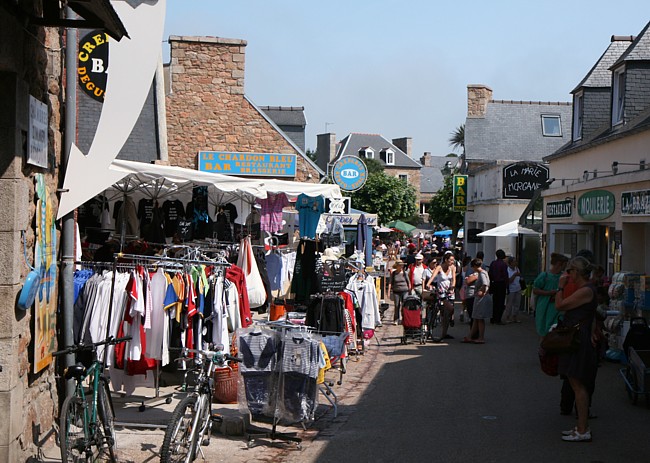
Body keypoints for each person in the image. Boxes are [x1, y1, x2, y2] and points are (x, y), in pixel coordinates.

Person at [555, 256, 598, 442]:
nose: (567, 274)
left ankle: (583, 429)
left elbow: (560, 305)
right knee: (575, 383)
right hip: (578, 338)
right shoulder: (586, 289)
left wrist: (560, 286)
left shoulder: (586, 290)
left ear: (577, 272)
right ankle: (581, 426)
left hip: (578, 341)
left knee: (578, 385)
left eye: (570, 271)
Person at [533, 252, 568, 338]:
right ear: (559, 264)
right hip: (544, 306)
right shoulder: (545, 276)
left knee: (555, 327)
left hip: (556, 307)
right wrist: (549, 293)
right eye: (565, 265)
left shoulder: (563, 277)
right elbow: (535, 290)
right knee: (544, 329)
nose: (565, 267)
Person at [426, 252, 456, 341]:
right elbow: (433, 276)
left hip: (449, 291)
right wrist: (428, 284)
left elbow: (454, 279)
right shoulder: (439, 267)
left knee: (446, 315)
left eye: (453, 260)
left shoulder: (452, 268)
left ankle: (444, 333)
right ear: (446, 260)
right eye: (450, 260)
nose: (452, 262)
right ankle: (450, 318)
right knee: (450, 309)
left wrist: (453, 286)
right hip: (441, 292)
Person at [462, 258, 491, 343]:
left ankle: (481, 338)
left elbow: (485, 284)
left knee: (479, 318)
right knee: (475, 318)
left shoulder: (481, 273)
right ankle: (470, 336)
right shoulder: (484, 272)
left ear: (474, 266)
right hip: (480, 298)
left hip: (481, 299)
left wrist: (481, 291)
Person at [488, 249, 509, 324]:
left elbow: (490, 274)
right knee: (500, 302)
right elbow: (505, 276)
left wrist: (490, 284)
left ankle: (493, 318)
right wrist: (507, 286)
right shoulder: (503, 264)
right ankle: (498, 319)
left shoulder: (493, 263)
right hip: (501, 283)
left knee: (495, 301)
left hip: (494, 283)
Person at [388, 260, 409, 325]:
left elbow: (408, 282)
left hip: (405, 290)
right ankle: (396, 319)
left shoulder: (405, 273)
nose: (401, 266)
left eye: (402, 265)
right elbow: (390, 282)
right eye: (400, 265)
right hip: (396, 291)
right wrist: (388, 291)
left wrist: (410, 290)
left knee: (404, 305)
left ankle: (404, 319)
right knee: (397, 305)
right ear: (397, 266)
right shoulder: (394, 273)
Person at [503, 256, 523, 323]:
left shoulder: (517, 269)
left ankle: (515, 316)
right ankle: (507, 317)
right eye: (514, 261)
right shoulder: (507, 270)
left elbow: (520, 277)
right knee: (509, 304)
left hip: (518, 288)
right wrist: (514, 275)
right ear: (510, 263)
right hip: (511, 289)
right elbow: (509, 281)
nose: (516, 263)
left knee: (517, 304)